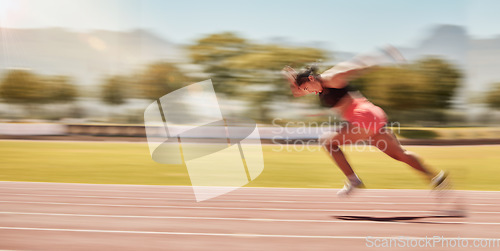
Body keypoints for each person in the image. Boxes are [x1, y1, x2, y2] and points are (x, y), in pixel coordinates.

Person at [282, 55, 448, 196]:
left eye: (306, 87)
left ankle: (353, 180)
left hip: (363, 117)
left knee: (327, 141)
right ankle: (436, 177)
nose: (306, 91)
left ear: (311, 78)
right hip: (373, 117)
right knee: (399, 154)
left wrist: (381, 58)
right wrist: (291, 78)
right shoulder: (319, 88)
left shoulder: (330, 78)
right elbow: (297, 92)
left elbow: (352, 67)